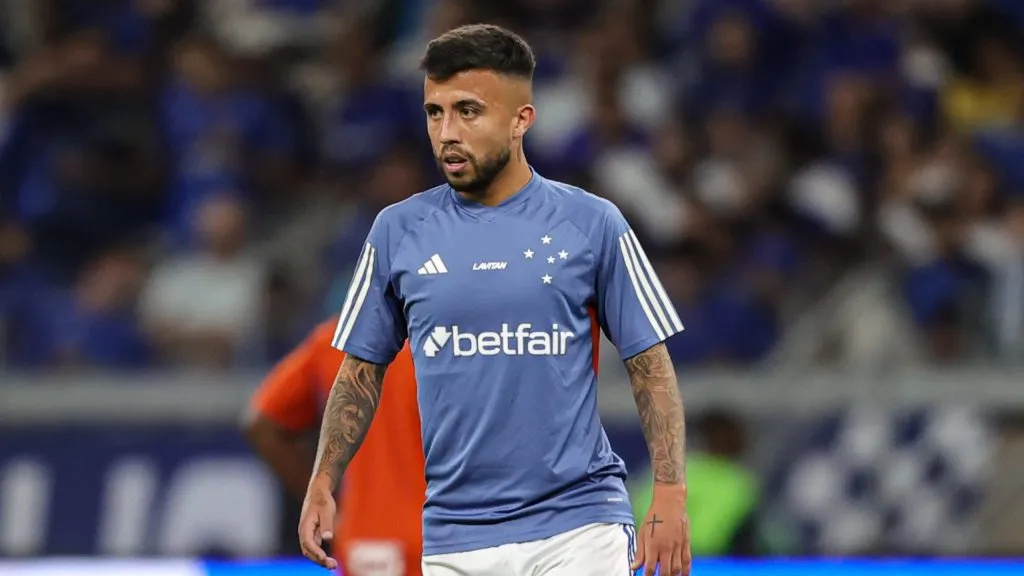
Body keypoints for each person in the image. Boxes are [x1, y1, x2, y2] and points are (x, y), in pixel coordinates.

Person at [299, 24, 691, 576]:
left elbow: (650, 365)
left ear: (520, 120)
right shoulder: (396, 232)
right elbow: (359, 372)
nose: (447, 133)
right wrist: (323, 479)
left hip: (579, 525)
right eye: (435, 113)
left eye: (468, 111)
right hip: (454, 535)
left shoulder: (592, 223)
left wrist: (671, 491)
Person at [245, 320, 425, 576]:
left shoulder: (340, 336)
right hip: (449, 536)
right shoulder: (463, 339)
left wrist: (322, 496)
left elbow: (262, 423)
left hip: (365, 539)